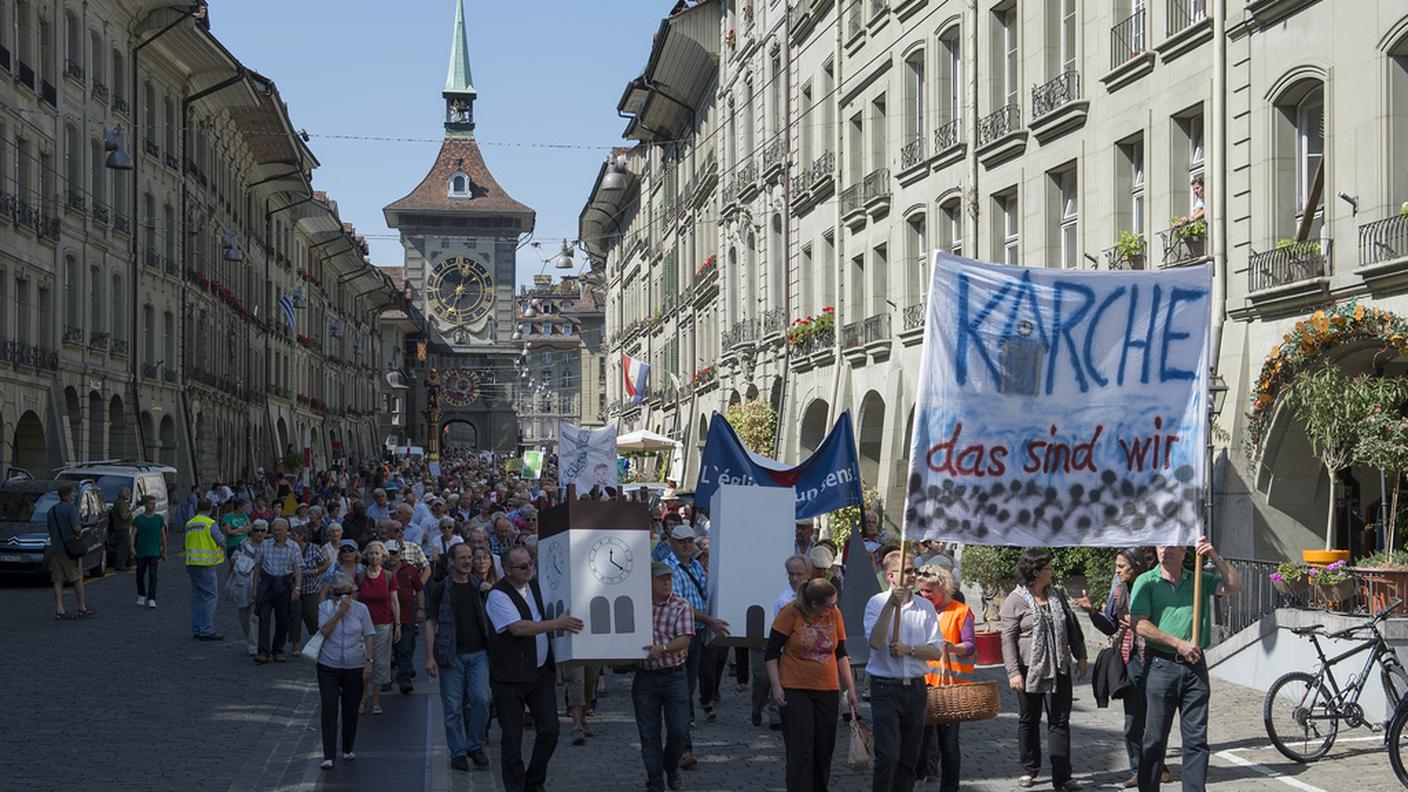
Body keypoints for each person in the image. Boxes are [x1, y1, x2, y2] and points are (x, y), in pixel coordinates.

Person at [1129, 537, 1243, 792]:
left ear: (1184, 551)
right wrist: (1177, 643)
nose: (1164, 551)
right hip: (1161, 665)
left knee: (1196, 740)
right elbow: (1139, 623)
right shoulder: (1146, 581)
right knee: (1155, 739)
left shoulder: (1199, 580)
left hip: (1195, 668)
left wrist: (1213, 554)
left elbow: (1235, 586)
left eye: (1171, 546)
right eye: (1161, 546)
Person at [486, 545, 583, 792]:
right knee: (512, 739)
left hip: (539, 672)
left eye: (531, 564)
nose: (530, 569)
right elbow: (518, 628)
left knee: (550, 729)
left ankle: (534, 781)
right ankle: (515, 787)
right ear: (507, 570)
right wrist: (557, 624)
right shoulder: (498, 595)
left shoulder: (537, 586)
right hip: (509, 677)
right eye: (523, 566)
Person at [1069, 548, 1166, 788]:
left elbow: (1165, 622)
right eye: (1116, 566)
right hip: (1129, 661)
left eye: (1122, 566)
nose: (1117, 570)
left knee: (1155, 720)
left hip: (1156, 659)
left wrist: (1140, 624)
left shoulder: (1154, 587)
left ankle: (1158, 767)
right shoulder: (1119, 591)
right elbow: (1111, 626)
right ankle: (1138, 769)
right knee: (1133, 722)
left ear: (1136, 565)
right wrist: (1091, 611)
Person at [1000, 548, 1087, 792]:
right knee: (1029, 718)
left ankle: (1063, 777)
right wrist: (1013, 672)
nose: (1052, 571)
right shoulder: (1015, 600)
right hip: (1029, 668)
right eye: (1048, 568)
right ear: (1036, 571)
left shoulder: (1056, 594)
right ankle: (1029, 768)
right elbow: (1007, 640)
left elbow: (1071, 625)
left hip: (1059, 666)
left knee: (1060, 721)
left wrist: (1080, 655)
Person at [767, 577, 860, 792]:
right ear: (814, 604)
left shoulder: (834, 614)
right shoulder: (790, 613)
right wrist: (776, 686)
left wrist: (851, 689)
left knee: (824, 747)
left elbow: (841, 653)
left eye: (835, 604)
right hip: (795, 686)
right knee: (801, 748)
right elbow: (771, 653)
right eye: (829, 605)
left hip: (827, 687)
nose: (833, 609)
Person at [864, 549, 944, 792]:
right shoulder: (876, 603)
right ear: (891, 576)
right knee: (888, 755)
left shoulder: (925, 607)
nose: (913, 576)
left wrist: (910, 650)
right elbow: (875, 642)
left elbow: (936, 651)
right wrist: (891, 604)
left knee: (910, 758)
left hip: (916, 687)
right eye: (907, 571)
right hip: (885, 687)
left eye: (914, 571)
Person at [661, 524, 732, 769]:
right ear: (672, 542)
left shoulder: (694, 565)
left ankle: (683, 735)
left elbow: (705, 595)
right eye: (682, 541)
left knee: (689, 687)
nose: (687, 545)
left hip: (697, 634)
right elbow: (682, 606)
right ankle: (683, 746)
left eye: (690, 541)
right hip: (680, 635)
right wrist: (709, 620)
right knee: (682, 690)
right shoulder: (669, 568)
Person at [634, 560, 694, 792]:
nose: (667, 582)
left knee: (678, 730)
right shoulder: (637, 605)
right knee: (649, 735)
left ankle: (671, 767)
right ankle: (655, 782)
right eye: (661, 579)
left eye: (668, 578)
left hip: (675, 676)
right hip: (645, 678)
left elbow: (686, 639)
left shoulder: (681, 606)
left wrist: (664, 649)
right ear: (648, 581)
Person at [915, 564, 975, 792]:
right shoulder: (919, 609)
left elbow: (969, 647)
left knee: (948, 743)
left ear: (944, 587)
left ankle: (950, 787)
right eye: (922, 590)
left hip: (950, 690)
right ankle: (919, 777)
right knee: (919, 739)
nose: (925, 595)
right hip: (922, 685)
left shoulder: (960, 611)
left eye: (929, 591)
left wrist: (952, 648)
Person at [315, 571, 376, 770]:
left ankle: (348, 747)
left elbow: (368, 635)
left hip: (354, 665)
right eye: (339, 593)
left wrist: (369, 661)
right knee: (330, 708)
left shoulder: (361, 610)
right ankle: (328, 754)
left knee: (350, 709)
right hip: (328, 665)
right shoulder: (325, 607)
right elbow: (323, 630)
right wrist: (339, 612)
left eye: (348, 593)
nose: (344, 597)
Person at [252, 517, 303, 663]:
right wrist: (255, 587)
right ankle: (263, 651)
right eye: (274, 530)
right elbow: (257, 566)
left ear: (287, 531)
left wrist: (297, 588)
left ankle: (278, 650)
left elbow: (298, 568)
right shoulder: (265, 545)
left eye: (280, 530)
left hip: (285, 584)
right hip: (267, 584)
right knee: (263, 617)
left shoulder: (293, 546)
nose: (277, 533)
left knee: (283, 619)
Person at [358, 540, 400, 713]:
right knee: (363, 661)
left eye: (377, 553)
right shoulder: (360, 577)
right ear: (366, 556)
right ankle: (362, 698)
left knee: (380, 663)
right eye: (371, 553)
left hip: (383, 623)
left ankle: (376, 700)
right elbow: (354, 602)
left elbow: (394, 601)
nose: (374, 556)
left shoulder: (389, 576)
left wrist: (398, 624)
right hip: (363, 626)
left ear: (382, 556)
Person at [46, 484, 92, 620]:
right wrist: (81, 529)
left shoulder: (51, 510)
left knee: (57, 580)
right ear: (67, 495)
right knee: (77, 578)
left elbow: (50, 529)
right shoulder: (71, 509)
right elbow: (76, 528)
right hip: (69, 550)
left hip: (55, 549)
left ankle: (60, 609)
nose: (74, 496)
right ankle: (82, 607)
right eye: (72, 494)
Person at [388, 540, 425, 695]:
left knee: (405, 646)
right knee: (389, 648)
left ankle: (404, 679)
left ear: (400, 553)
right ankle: (391, 676)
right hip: (387, 615)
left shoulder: (409, 569)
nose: (392, 556)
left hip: (407, 613)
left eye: (394, 553)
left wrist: (421, 608)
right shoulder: (381, 570)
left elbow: (419, 589)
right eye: (389, 553)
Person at [185, 498, 224, 640]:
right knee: (209, 597)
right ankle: (206, 630)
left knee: (197, 597)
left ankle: (197, 629)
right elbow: (221, 541)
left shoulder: (190, 523)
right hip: (205, 564)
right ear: (211, 509)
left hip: (191, 563)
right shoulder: (210, 523)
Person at [290, 525, 328, 656]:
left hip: (311, 588)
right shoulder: (290, 549)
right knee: (295, 616)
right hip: (294, 588)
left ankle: (316, 642)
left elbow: (325, 564)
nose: (291, 538)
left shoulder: (314, 549)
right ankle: (295, 645)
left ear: (301, 537)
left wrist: (315, 571)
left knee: (311, 616)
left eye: (294, 536)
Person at [228, 521, 264, 654]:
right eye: (256, 530)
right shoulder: (242, 545)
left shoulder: (268, 546)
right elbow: (232, 564)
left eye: (262, 530)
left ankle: (254, 645)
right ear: (252, 531)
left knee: (254, 616)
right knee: (243, 616)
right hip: (242, 583)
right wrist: (230, 585)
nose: (259, 533)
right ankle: (251, 638)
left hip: (260, 584)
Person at [130, 495, 166, 608]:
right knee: (140, 574)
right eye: (151, 503)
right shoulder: (138, 519)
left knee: (153, 575)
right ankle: (141, 594)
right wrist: (132, 547)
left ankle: (152, 598)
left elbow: (163, 535)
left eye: (154, 504)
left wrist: (164, 550)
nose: (153, 506)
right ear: (146, 504)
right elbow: (133, 534)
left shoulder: (159, 519)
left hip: (154, 551)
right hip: (141, 551)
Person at [111, 487, 135, 570]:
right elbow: (124, 516)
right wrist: (131, 510)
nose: (129, 494)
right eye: (127, 493)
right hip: (121, 528)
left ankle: (124, 564)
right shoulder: (120, 503)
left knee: (125, 547)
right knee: (122, 548)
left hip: (125, 528)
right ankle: (120, 565)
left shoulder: (123, 503)